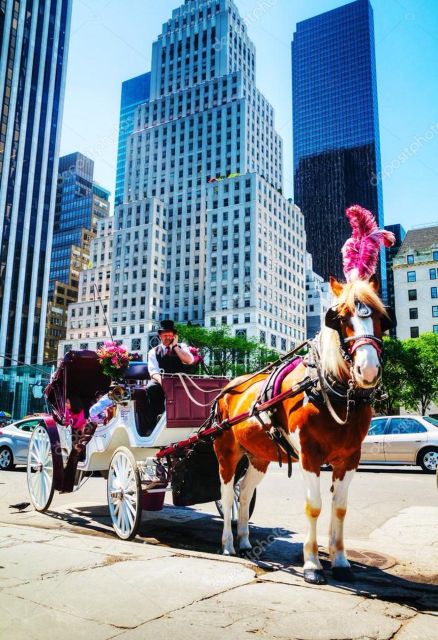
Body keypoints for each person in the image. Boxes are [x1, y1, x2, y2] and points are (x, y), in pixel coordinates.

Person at [144, 320, 194, 433]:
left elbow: (190, 360)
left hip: (181, 381)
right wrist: (163, 382)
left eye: (171, 335)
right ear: (160, 336)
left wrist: (176, 347)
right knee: (152, 388)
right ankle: (154, 425)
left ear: (175, 336)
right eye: (165, 335)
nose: (168, 338)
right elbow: (153, 372)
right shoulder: (153, 351)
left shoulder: (182, 347)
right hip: (162, 381)